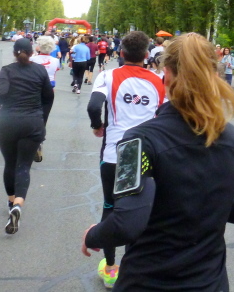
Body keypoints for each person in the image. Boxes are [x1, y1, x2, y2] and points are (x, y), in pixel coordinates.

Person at [82, 32, 234, 290]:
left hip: (147, 280)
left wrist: (93, 235)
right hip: (209, 282)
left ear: (167, 75)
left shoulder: (137, 140)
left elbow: (127, 223)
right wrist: (204, 207)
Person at [87, 30, 166, 288]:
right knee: (142, 210)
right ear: (146, 55)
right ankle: (137, 266)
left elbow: (93, 105)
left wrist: (97, 126)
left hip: (114, 153)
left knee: (111, 207)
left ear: (121, 53)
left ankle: (111, 267)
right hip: (147, 153)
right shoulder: (159, 80)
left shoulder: (107, 76)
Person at [0, 38, 54, 235]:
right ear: (32, 52)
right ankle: (19, 204)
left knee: (10, 163)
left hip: (8, 122)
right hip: (32, 122)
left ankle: (11, 202)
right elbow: (48, 97)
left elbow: (0, 92)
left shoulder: (7, 70)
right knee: (24, 166)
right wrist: (41, 119)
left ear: (14, 53)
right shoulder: (40, 71)